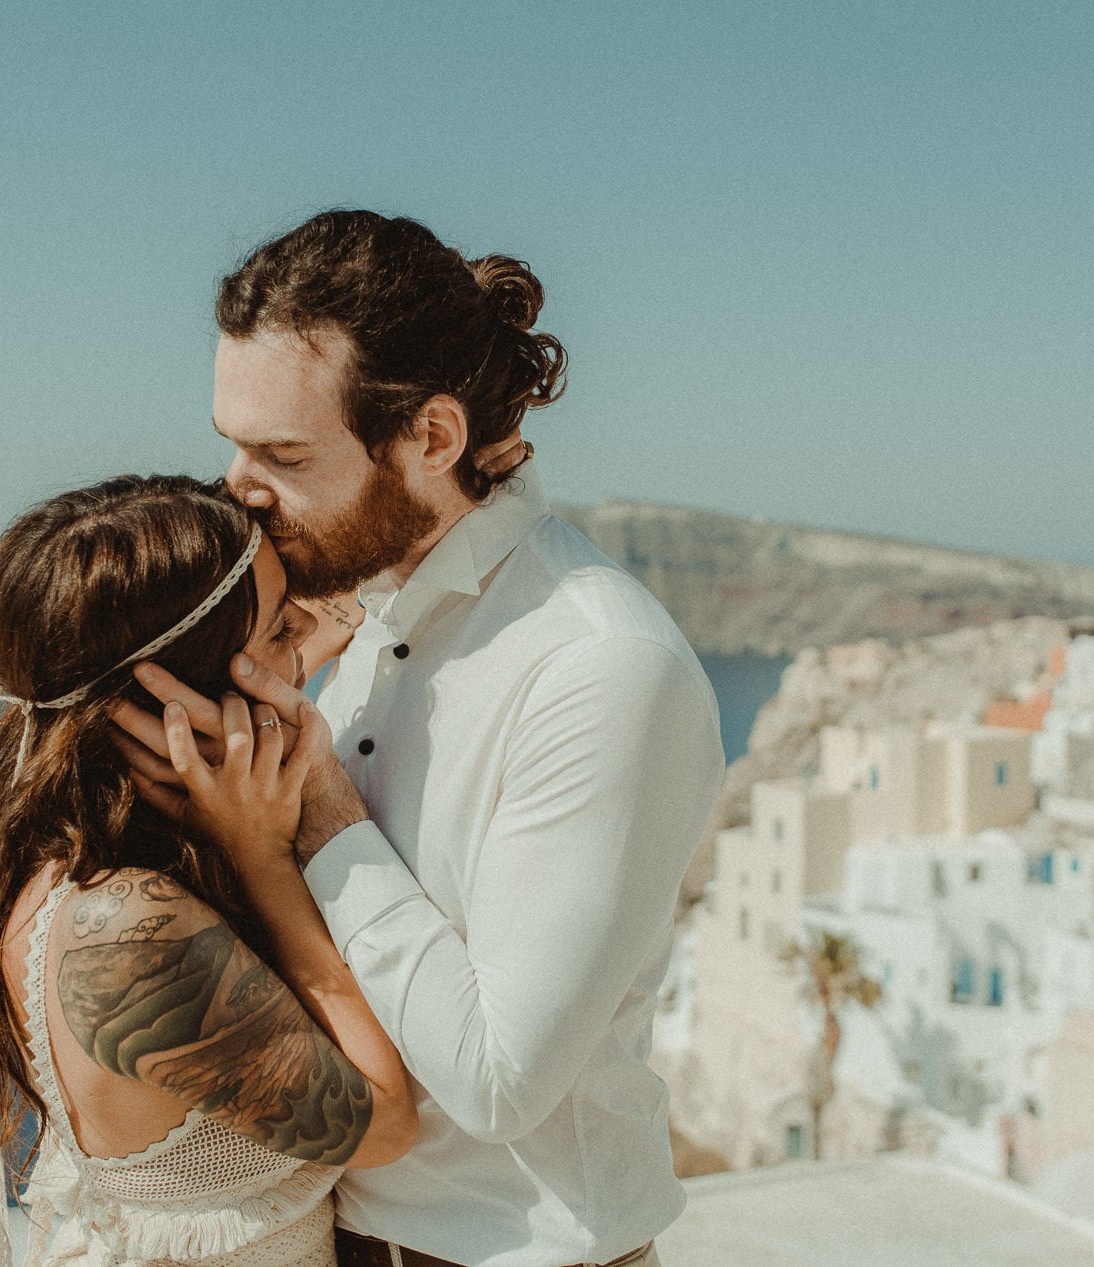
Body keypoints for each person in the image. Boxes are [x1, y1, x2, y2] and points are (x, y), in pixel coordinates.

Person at [115, 211, 726, 1267]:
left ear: (431, 440)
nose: (237, 487)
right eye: (231, 441)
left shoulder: (597, 667)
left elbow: (497, 1079)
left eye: (282, 452)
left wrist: (314, 812)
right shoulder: (345, 617)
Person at [0, 474, 418, 1267]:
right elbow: (386, 1121)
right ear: (176, 689)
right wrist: (265, 859)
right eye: (272, 629)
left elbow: (319, 617)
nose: (305, 631)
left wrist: (284, 650)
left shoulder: (76, 853)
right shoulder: (123, 929)